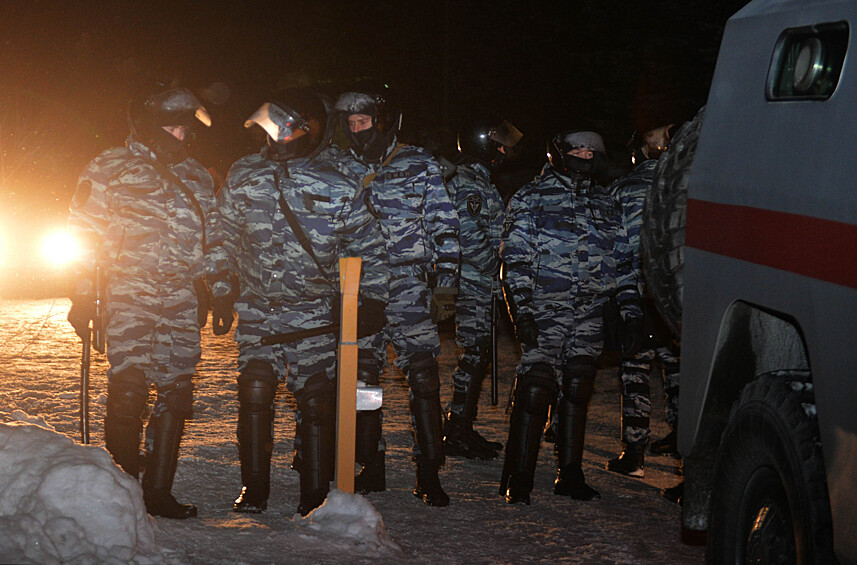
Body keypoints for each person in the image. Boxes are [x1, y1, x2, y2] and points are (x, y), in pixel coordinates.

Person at [212, 87, 388, 516]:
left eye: (281, 128)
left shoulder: (335, 180)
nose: (273, 136)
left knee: (316, 400)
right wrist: (219, 288)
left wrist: (372, 299)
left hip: (314, 311)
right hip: (259, 308)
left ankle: (315, 494)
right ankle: (254, 489)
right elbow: (222, 233)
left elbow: (368, 244)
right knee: (254, 391)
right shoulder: (245, 173)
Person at [67, 84, 220, 519]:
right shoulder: (109, 166)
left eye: (186, 128)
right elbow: (81, 232)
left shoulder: (195, 175)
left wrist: (212, 288)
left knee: (177, 391)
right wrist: (82, 293)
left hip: (179, 298)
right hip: (127, 291)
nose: (181, 136)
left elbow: (209, 238)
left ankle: (157, 492)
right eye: (171, 127)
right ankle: (123, 491)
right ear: (150, 125)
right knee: (129, 386)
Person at [499, 130, 642, 504]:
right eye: (577, 150)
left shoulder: (605, 202)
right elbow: (514, 259)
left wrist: (631, 313)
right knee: (536, 386)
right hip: (545, 308)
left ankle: (570, 474)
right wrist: (521, 312)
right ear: (560, 153)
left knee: (578, 385)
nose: (584, 156)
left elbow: (623, 261)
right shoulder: (532, 197)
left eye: (591, 151)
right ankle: (520, 475)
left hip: (590, 310)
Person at [334, 80, 460, 507]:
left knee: (422, 377)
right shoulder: (339, 168)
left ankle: (429, 470)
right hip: (362, 287)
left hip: (409, 285)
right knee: (365, 380)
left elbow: (445, 224)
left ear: (382, 122)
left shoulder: (418, 164)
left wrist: (447, 281)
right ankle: (371, 464)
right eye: (350, 123)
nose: (358, 129)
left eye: (364, 121)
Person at [442, 116, 522, 460]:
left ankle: (462, 427)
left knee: (477, 357)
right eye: (500, 144)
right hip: (475, 284)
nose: (506, 150)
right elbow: (469, 235)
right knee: (473, 357)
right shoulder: (468, 181)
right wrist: (497, 269)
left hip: (482, 283)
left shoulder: (480, 179)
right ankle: (456, 431)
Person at [605, 120, 681, 478]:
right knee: (677, 367)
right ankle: (683, 441)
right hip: (677, 291)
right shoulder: (684, 184)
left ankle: (635, 452)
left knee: (635, 368)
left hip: (636, 292)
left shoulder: (623, 188)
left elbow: (609, 244)